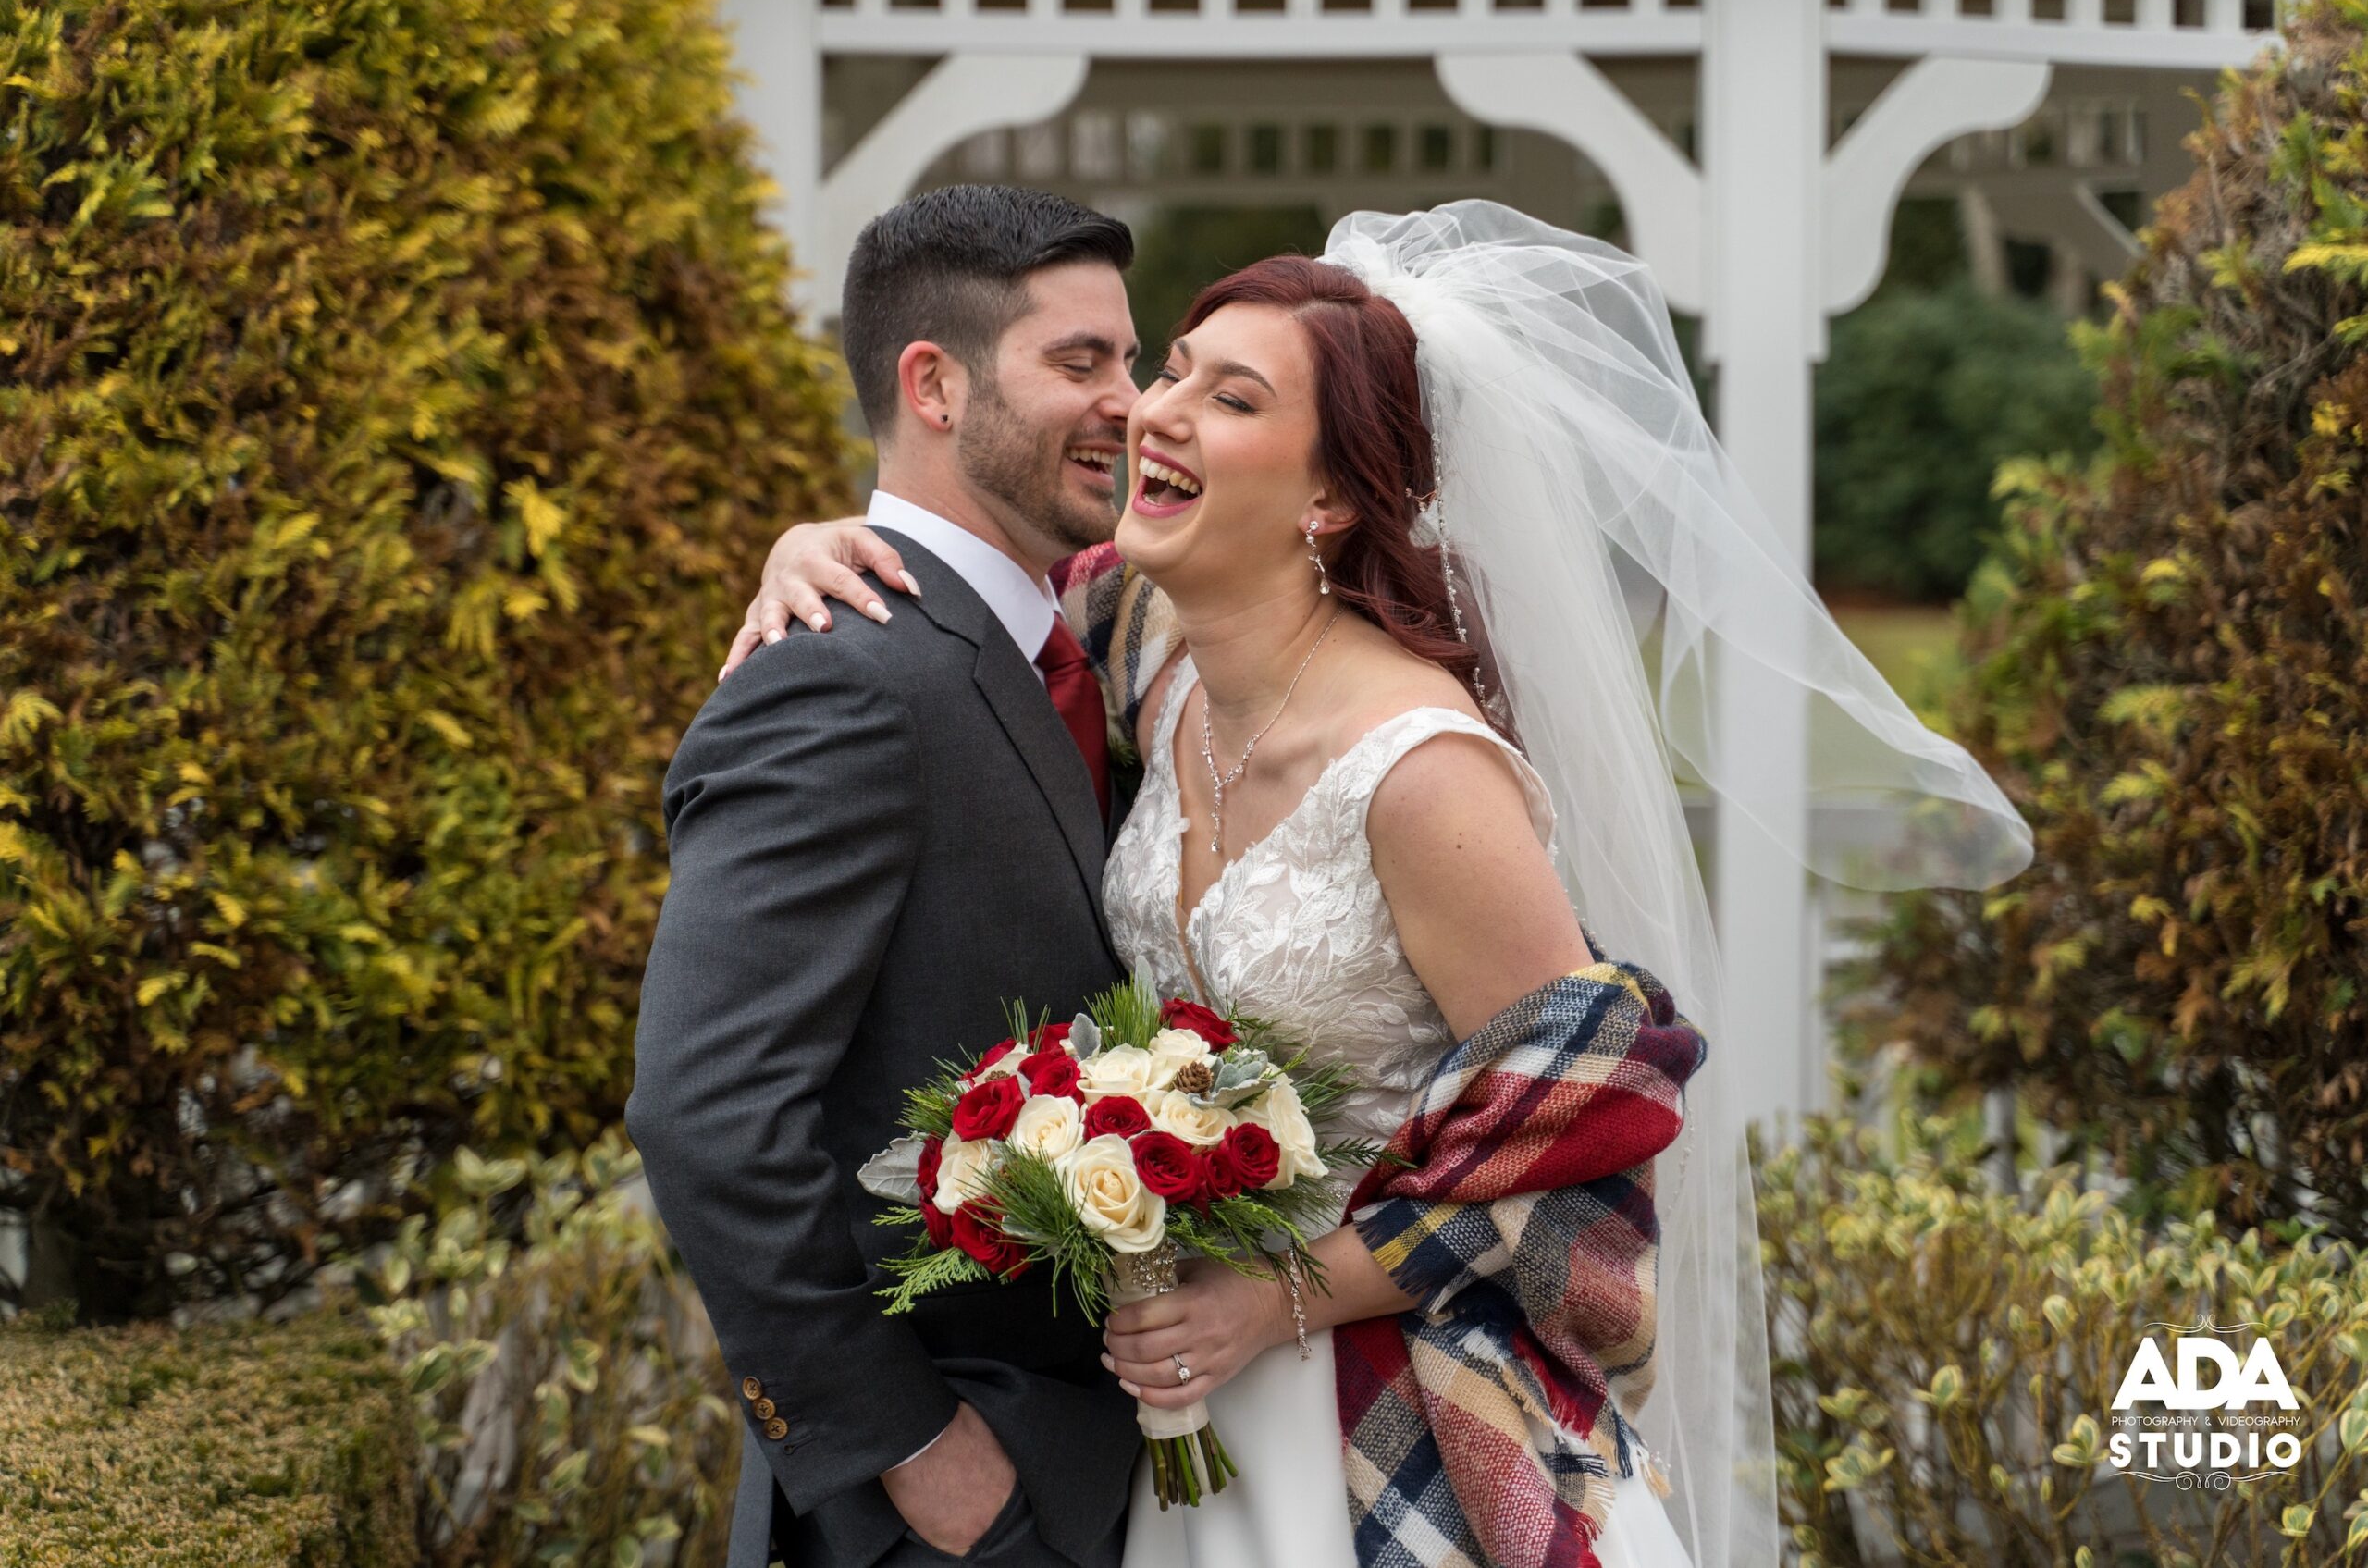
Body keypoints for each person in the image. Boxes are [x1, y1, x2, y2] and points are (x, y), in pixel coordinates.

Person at [729, 203, 2032, 1568]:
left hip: (1399, 1414)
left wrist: (1281, 1297)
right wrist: (817, 543)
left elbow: (1587, 1134)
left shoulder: (1420, 776)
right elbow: (971, 575)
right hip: (1183, 1438)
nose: (1152, 413)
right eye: (1169, 368)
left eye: (1227, 398)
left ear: (1329, 498)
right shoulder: (1147, 644)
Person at [626, 183, 1147, 1568]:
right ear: (933, 382)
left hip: (1121, 1457)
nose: (1131, 402)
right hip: (950, 1507)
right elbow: (703, 1108)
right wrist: (907, 1452)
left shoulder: (1105, 638)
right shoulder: (839, 678)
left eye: (1133, 361)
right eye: (1080, 362)